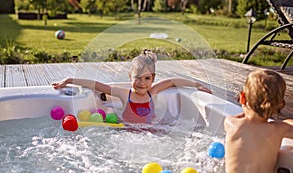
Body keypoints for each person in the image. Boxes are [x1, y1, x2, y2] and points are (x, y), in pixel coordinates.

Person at [52, 49, 211, 124]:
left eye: (147, 78)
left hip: (151, 133)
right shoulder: (123, 93)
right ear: (130, 77)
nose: (142, 83)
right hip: (128, 133)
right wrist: (69, 80)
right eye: (137, 78)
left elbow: (172, 81)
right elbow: (98, 85)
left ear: (153, 79)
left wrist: (197, 85)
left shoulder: (152, 92)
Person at [224, 69, 293, 173]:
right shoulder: (279, 129)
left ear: (242, 97)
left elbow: (243, 119)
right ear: (280, 105)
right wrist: (287, 123)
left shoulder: (231, 123)